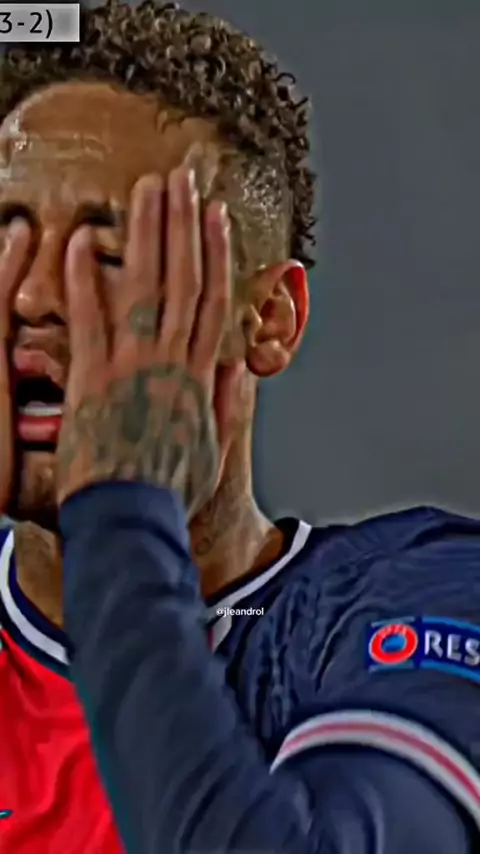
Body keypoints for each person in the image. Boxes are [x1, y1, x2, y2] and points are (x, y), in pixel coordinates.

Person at [0, 1, 480, 853]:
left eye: (110, 260)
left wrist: (118, 512)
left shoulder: (408, 602)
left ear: (270, 320)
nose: (33, 296)